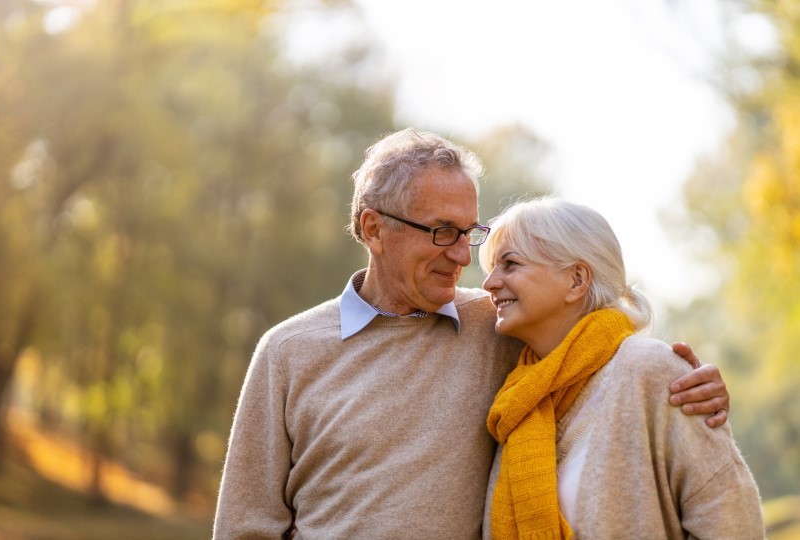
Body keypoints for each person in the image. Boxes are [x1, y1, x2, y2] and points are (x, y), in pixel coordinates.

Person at [213, 129, 731, 539]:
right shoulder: (287, 352)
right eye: (441, 231)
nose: (463, 255)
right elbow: (245, 527)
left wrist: (691, 384)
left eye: (469, 232)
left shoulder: (502, 324)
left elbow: (596, 339)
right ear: (373, 229)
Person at [479, 197, 763, 539]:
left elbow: (731, 519)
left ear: (577, 280)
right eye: (492, 268)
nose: (489, 283)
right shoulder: (518, 398)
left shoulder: (652, 371)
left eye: (509, 264)